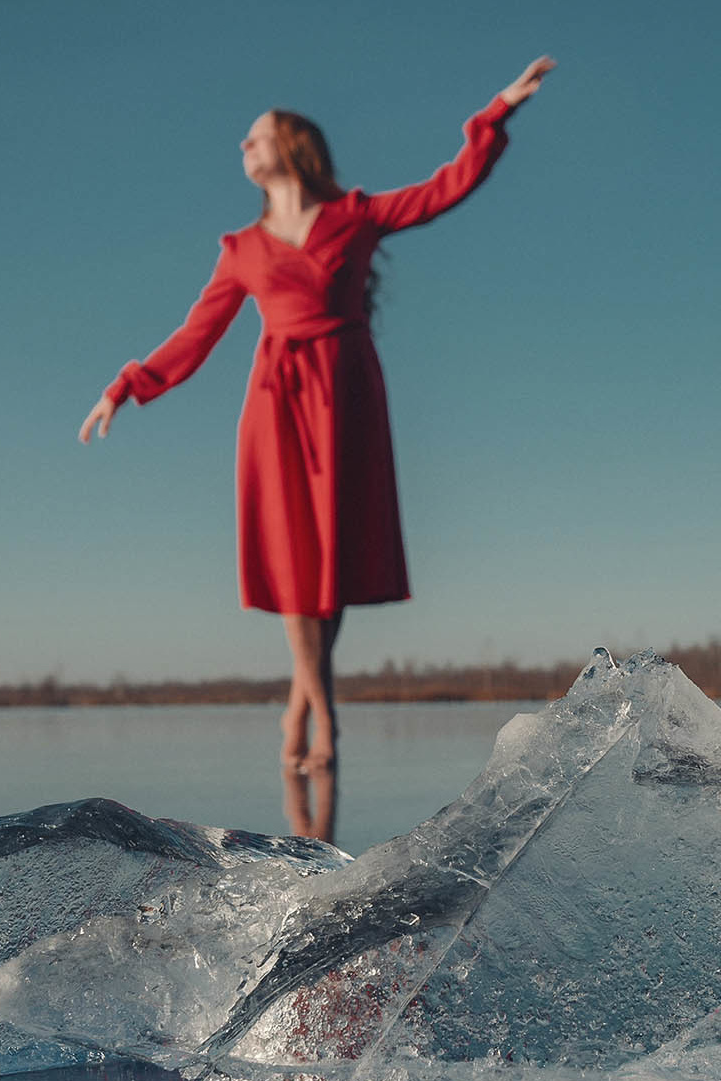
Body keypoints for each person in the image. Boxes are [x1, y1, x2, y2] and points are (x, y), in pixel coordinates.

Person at [81, 57, 556, 774]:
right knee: (295, 556)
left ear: (294, 147)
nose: (242, 146)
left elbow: (444, 189)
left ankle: (303, 697)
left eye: (257, 136)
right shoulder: (240, 251)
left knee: (332, 557)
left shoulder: (356, 216)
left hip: (349, 396)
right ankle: (322, 710)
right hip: (276, 402)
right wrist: (126, 386)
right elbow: (196, 334)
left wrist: (493, 115)